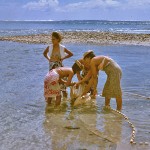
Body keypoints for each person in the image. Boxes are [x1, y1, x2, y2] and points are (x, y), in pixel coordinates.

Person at [43, 31, 73, 97]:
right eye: (51, 39)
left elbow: (71, 54)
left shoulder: (62, 47)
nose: (52, 40)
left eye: (53, 39)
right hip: (51, 68)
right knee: (52, 85)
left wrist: (63, 58)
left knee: (62, 87)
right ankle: (54, 101)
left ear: (58, 39)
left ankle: (65, 102)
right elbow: (44, 53)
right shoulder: (49, 47)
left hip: (60, 67)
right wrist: (48, 59)